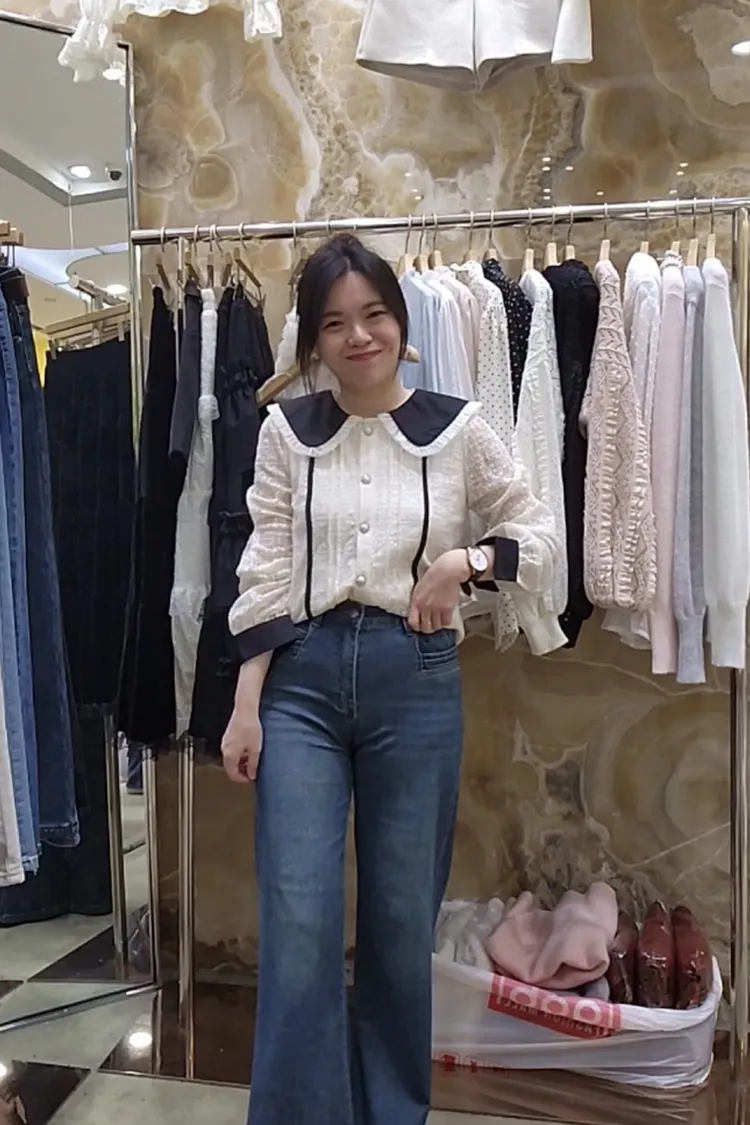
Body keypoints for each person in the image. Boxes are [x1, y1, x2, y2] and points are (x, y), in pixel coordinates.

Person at [221, 235, 562, 1125]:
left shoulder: (457, 428)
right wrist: (246, 706)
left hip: (414, 681)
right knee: (298, 917)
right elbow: (266, 570)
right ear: (313, 340)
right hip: (299, 682)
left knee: (402, 919)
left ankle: (390, 1112)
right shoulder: (286, 432)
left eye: (374, 314)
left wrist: (465, 562)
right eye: (335, 322)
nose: (358, 336)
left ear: (402, 323)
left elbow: (540, 533)